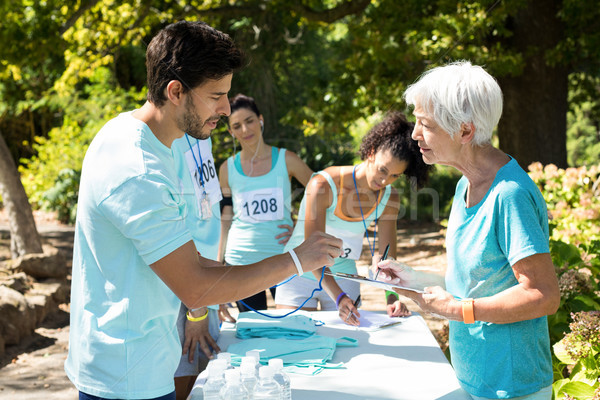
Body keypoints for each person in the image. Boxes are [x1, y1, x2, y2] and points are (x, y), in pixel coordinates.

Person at [64, 21, 341, 400]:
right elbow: (196, 287)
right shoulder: (137, 169)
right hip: (124, 376)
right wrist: (296, 260)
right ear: (175, 91)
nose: (227, 110)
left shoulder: (159, 142)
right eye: (216, 96)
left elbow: (192, 258)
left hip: (143, 362)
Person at [375, 61, 560, 399]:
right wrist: (412, 278)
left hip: (513, 387)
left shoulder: (510, 194)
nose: (414, 134)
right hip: (472, 378)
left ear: (464, 131)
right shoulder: (465, 186)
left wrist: (457, 310)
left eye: (425, 124)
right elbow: (475, 284)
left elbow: (542, 295)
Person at [275, 111, 431, 325]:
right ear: (371, 152)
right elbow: (312, 255)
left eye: (395, 176)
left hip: (344, 276)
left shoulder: (390, 197)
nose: (385, 180)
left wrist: (391, 298)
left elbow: (387, 259)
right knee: (296, 341)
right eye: (382, 170)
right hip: (299, 273)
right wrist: (338, 297)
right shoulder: (323, 184)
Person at [218, 93, 313, 312]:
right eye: (237, 125)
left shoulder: (287, 159)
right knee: (252, 332)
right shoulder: (227, 169)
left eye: (249, 121)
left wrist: (300, 230)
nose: (245, 130)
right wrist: (219, 261)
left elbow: (322, 193)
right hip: (240, 260)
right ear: (231, 131)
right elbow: (225, 217)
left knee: (292, 325)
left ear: (260, 120)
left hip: (283, 258)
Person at [171, 133, 235, 400]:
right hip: (185, 284)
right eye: (215, 96)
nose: (224, 110)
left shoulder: (203, 138)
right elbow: (176, 224)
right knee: (181, 375)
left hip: (207, 281)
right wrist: (196, 311)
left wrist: (215, 282)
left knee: (207, 374)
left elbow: (207, 215)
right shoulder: (169, 141)